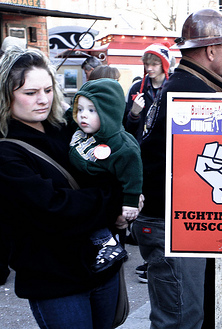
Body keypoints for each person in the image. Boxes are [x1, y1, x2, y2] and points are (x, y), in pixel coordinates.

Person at [125, 8, 222, 328]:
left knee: (184, 314)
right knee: (180, 320)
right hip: (172, 227)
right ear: (210, 51)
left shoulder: (182, 83)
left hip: (171, 222)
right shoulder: (194, 93)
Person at [0, 47, 129, 328]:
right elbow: (53, 209)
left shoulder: (67, 128)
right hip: (55, 280)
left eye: (47, 89)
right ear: (6, 95)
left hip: (101, 268)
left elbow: (111, 171)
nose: (43, 100)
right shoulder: (6, 151)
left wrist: (109, 196)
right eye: (30, 93)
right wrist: (113, 203)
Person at [69, 78, 143, 272]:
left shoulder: (122, 146)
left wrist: (130, 202)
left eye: (92, 110)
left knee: (99, 225)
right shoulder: (82, 133)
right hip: (84, 196)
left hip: (102, 202)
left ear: (108, 112)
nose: (83, 115)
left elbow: (133, 175)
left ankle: (109, 245)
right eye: (80, 108)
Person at [124, 42, 171, 283]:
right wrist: (133, 113)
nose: (149, 68)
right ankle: (148, 259)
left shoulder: (171, 87)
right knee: (144, 207)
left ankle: (162, 258)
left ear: (164, 64)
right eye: (146, 64)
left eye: (154, 63)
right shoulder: (137, 88)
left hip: (165, 157)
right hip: (141, 155)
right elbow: (127, 127)